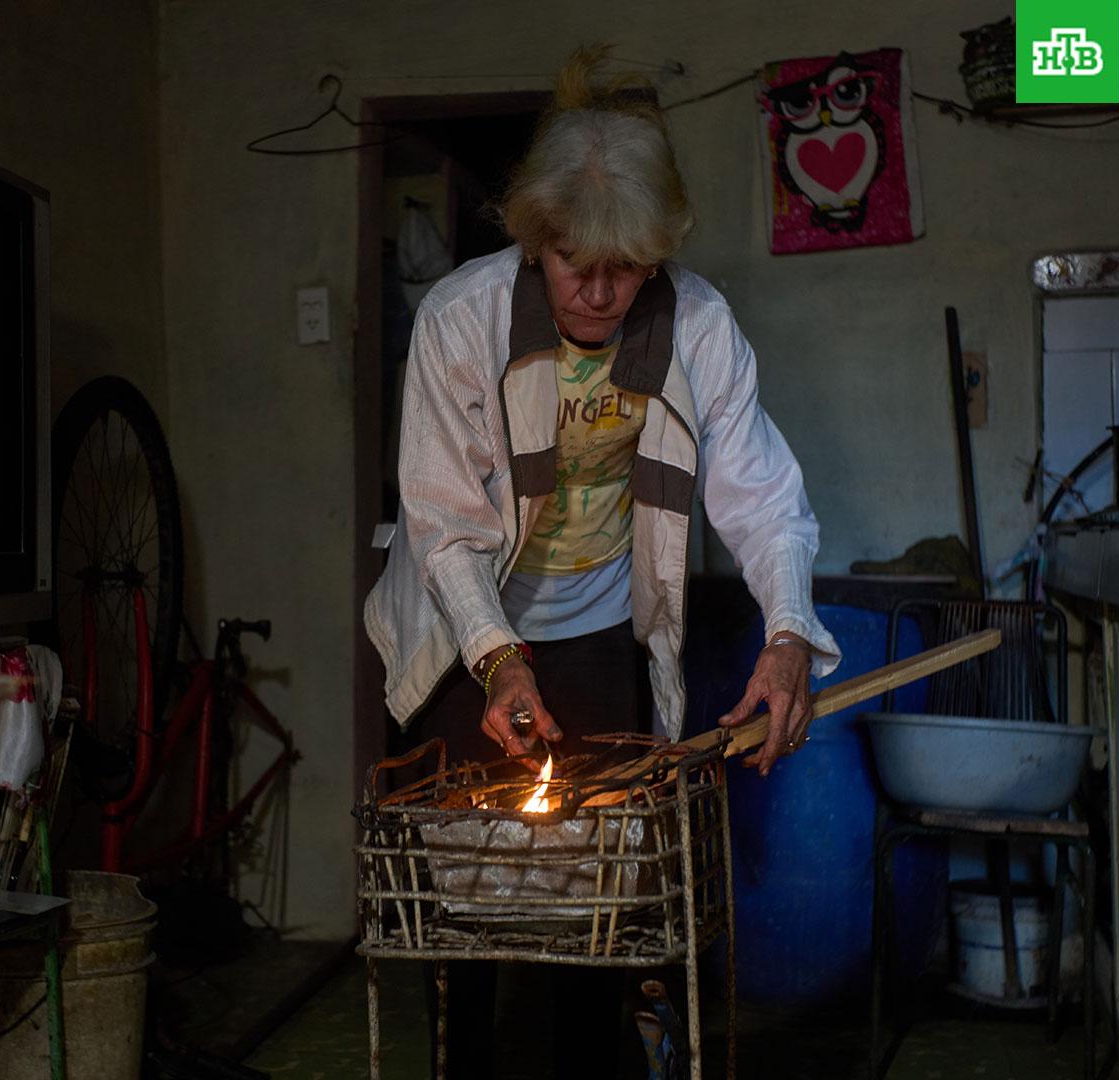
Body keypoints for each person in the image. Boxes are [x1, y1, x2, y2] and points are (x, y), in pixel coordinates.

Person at [363, 47, 844, 1076]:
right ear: (534, 240)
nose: (597, 291)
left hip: (594, 631)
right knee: (466, 910)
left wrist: (789, 632)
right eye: (573, 261)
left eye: (625, 267)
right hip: (461, 632)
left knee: (596, 905)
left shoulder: (697, 327)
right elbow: (443, 524)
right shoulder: (460, 322)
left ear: (656, 254)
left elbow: (763, 497)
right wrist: (498, 659)